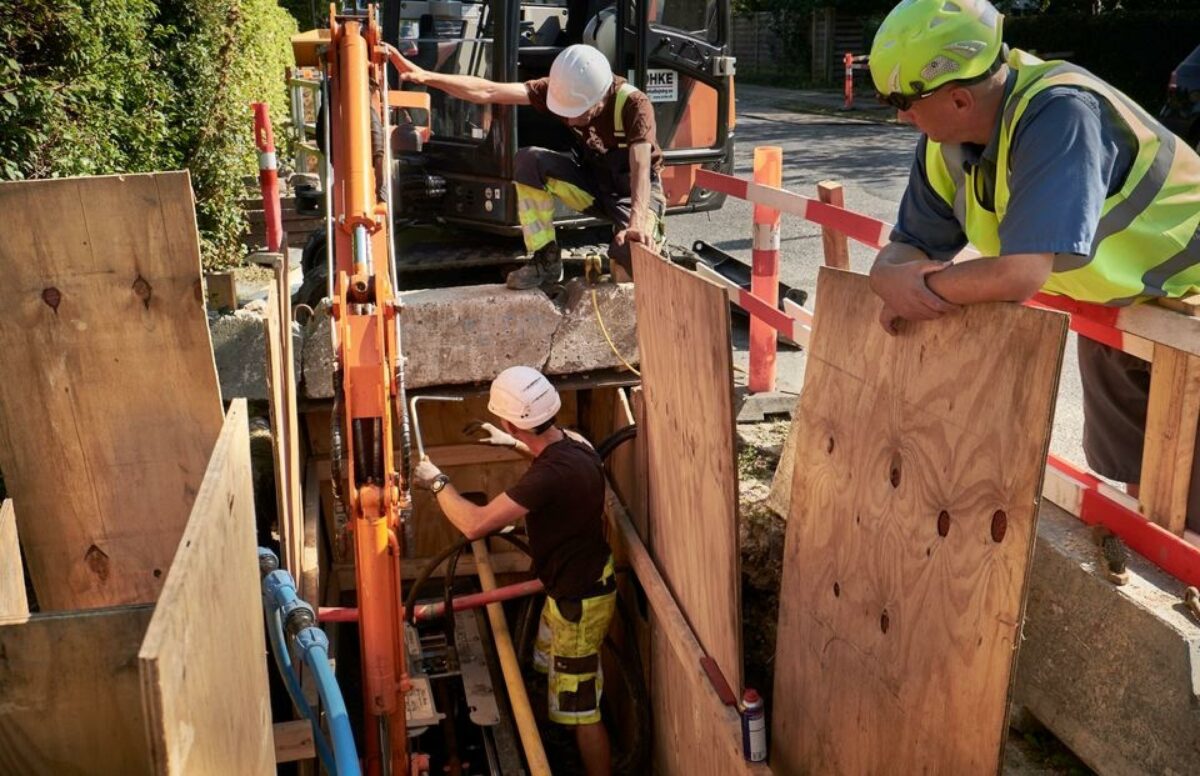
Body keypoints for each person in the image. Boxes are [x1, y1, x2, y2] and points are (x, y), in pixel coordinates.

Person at [866, 0, 1200, 531]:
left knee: (1192, 503)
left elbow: (1019, 274)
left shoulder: (1060, 112)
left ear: (957, 98)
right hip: (1118, 308)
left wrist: (916, 287)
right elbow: (908, 246)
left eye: (902, 100)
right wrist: (887, 276)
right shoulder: (944, 143)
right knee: (1148, 497)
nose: (899, 115)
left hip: (1190, 311)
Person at [413, 366, 616, 775]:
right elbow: (548, 456)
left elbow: (474, 523)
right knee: (546, 674)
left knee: (582, 711)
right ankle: (549, 739)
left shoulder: (548, 477)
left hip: (578, 605)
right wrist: (512, 443)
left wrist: (437, 483)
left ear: (510, 419)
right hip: (571, 590)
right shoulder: (573, 444)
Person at [387, 43, 666, 288]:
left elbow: (641, 168)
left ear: (599, 99)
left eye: (577, 115)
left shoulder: (634, 105)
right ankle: (545, 259)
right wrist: (426, 76)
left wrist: (636, 224)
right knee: (528, 161)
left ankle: (647, 253)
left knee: (628, 262)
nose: (568, 121)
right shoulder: (562, 90)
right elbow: (487, 91)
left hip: (635, 193)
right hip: (594, 184)